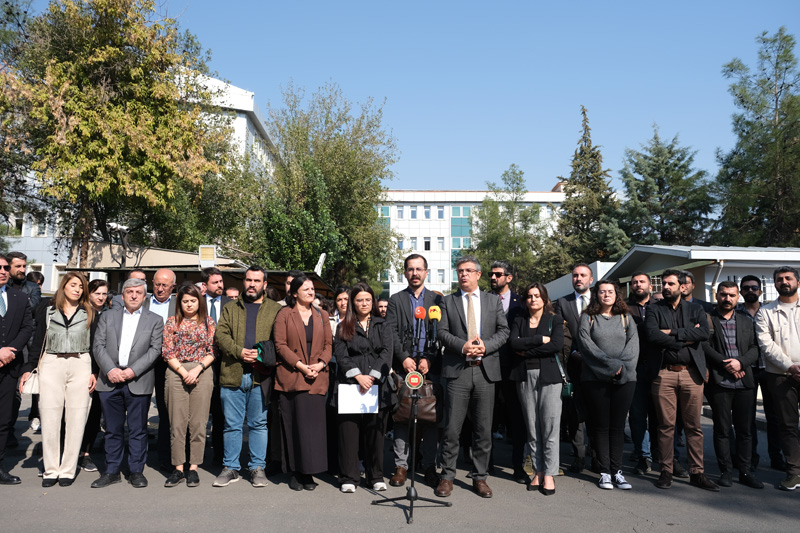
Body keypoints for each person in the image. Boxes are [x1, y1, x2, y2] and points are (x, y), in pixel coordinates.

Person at [435, 255, 509, 499]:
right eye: (459, 271)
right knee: (451, 429)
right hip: (458, 372)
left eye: (468, 270)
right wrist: (463, 346)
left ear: (478, 274)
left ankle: (480, 478)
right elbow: (442, 332)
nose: (463, 274)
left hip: (485, 372)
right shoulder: (448, 301)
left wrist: (485, 346)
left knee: (483, 430)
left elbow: (504, 331)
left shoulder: (492, 300)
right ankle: (447, 477)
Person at [19, 273, 95, 487]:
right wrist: (29, 367)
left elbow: (95, 343)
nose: (78, 289)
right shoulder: (48, 311)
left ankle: (68, 469)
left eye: (81, 286)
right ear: (64, 286)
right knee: (50, 415)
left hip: (81, 362)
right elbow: (37, 341)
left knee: (78, 416)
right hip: (52, 362)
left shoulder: (89, 312)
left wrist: (95, 372)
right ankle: (51, 469)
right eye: (73, 285)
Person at [645, 269, 718, 491]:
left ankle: (697, 473)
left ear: (682, 286)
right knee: (666, 426)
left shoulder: (696, 309)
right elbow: (652, 335)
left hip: (691, 373)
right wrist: (684, 337)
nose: (665, 287)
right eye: (663, 284)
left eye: (670, 284)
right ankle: (666, 471)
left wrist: (671, 333)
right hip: (664, 373)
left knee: (693, 426)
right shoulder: (653, 309)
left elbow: (704, 333)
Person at [90, 277, 164, 489]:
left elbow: (155, 350)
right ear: (122, 296)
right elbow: (98, 346)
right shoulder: (107, 316)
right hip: (109, 380)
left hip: (138, 380)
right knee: (112, 429)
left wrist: (132, 371)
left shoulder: (155, 320)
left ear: (144, 296)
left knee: (138, 429)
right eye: (129, 292)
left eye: (138, 292)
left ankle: (136, 471)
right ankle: (111, 470)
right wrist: (111, 370)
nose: (133, 295)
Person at [213, 265, 281, 488]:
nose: (252, 284)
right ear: (244, 282)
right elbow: (220, 335)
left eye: (257, 281)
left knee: (259, 424)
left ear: (265, 284)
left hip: (261, 377)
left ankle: (256, 467)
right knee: (231, 425)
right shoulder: (231, 308)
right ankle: (230, 467)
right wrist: (239, 351)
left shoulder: (275, 310)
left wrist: (259, 354)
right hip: (233, 373)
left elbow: (279, 340)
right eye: (248, 280)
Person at [385, 254, 443, 488]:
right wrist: (404, 358)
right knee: (402, 417)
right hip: (403, 369)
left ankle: (429, 465)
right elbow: (391, 333)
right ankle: (401, 466)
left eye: (419, 269)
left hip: (430, 369)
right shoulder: (395, 300)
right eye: (411, 269)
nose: (415, 273)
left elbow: (441, 332)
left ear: (426, 272)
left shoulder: (437, 300)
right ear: (405, 273)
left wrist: (428, 359)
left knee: (429, 418)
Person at [274, 274, 333, 491]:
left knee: (313, 429)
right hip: (293, 377)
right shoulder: (284, 315)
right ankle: (296, 472)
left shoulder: (322, 315)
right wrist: (300, 365)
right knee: (294, 427)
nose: (311, 292)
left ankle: (309, 473)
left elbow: (329, 344)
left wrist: (320, 364)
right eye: (306, 288)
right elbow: (280, 345)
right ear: (294, 292)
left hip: (317, 377)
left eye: (312, 288)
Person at [333, 283, 394, 493]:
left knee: (375, 434)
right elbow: (341, 355)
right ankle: (348, 477)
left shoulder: (382, 325)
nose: (364, 303)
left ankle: (375, 476)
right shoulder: (343, 326)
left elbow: (387, 352)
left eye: (368, 299)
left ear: (373, 302)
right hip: (351, 384)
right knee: (348, 433)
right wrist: (358, 376)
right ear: (353, 302)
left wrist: (373, 376)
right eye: (359, 300)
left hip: (377, 385)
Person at [578, 279, 638, 490]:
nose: (606, 295)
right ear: (596, 295)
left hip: (625, 379)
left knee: (618, 426)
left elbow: (633, 346)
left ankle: (617, 471)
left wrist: (621, 367)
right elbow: (586, 346)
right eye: (602, 292)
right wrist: (611, 365)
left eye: (610, 291)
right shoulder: (587, 317)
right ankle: (604, 472)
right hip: (595, 379)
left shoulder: (626, 317)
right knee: (600, 426)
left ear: (617, 294)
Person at [703, 281, 763, 489]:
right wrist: (726, 364)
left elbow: (755, 348)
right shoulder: (708, 319)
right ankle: (725, 471)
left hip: (744, 382)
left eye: (731, 295)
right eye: (723, 294)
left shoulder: (746, 321)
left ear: (738, 297)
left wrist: (741, 362)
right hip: (720, 381)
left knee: (745, 430)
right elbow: (704, 345)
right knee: (722, 429)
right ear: (717, 296)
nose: (727, 299)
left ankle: (745, 471)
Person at [508, 282, 564, 495]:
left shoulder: (554, 319)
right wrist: (539, 340)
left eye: (537, 296)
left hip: (549, 378)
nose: (533, 299)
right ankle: (538, 471)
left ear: (544, 299)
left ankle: (550, 473)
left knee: (549, 426)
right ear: (525, 300)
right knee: (532, 428)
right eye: (530, 296)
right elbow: (513, 344)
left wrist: (528, 350)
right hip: (524, 377)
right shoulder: (519, 320)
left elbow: (556, 345)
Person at [162, 283, 216, 488]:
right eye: (185, 301)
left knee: (198, 423)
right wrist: (184, 372)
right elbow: (167, 352)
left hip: (202, 371)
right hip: (177, 372)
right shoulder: (171, 323)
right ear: (179, 302)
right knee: (177, 423)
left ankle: (193, 467)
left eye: (193, 300)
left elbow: (213, 350)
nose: (189, 305)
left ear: (199, 301)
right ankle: (178, 468)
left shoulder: (208, 322)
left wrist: (197, 369)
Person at [755, 266, 800, 491]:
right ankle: (794, 472)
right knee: (788, 425)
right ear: (774, 284)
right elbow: (766, 344)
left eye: (788, 278)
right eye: (779, 279)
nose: (784, 281)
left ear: (797, 282)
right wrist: (790, 366)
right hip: (781, 376)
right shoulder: (766, 312)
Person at [738, 275, 785, 471]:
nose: (750, 291)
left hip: (770, 369)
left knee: (774, 416)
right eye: (746, 288)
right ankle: (751, 458)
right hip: (747, 370)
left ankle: (777, 457)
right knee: (747, 418)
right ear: (741, 291)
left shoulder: (769, 312)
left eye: (754, 288)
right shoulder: (736, 313)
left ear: (760, 291)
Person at [553, 263, 593, 473]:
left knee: (596, 412)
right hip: (573, 363)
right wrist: (574, 353)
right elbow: (562, 332)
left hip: (597, 365)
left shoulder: (600, 299)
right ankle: (579, 456)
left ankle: (597, 455)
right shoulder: (563, 303)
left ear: (591, 280)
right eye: (575, 275)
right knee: (575, 412)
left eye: (583, 275)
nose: (578, 279)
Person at [490, 260, 526, 483]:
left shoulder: (520, 302)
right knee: (487, 419)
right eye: (491, 274)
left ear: (509, 278)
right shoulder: (483, 300)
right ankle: (486, 463)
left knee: (516, 419)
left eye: (498, 274)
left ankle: (518, 466)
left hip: (513, 368)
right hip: (489, 367)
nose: (493, 278)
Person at [0, 255, 34, 485]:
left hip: (9, 369)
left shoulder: (20, 298)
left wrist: (11, 351)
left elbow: (27, 327)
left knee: (3, 421)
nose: (3, 271)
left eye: (4, 268)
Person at [144, 268, 177, 472]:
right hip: (143, 362)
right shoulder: (143, 302)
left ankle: (166, 457)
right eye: (157, 284)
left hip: (170, 364)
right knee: (139, 409)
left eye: (165, 285)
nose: (160, 288)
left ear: (173, 287)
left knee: (167, 411)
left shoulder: (180, 304)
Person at [626, 272, 658, 475]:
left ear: (650, 286)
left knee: (660, 415)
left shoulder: (659, 308)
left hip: (658, 367)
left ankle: (663, 455)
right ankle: (643, 456)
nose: (638, 285)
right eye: (634, 282)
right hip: (635, 368)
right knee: (637, 415)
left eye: (641, 282)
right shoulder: (625, 310)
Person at [79, 279, 110, 473]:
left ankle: (86, 453)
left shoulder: (108, 315)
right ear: (89, 294)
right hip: (82, 369)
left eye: (104, 294)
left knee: (94, 414)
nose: (100, 297)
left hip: (101, 372)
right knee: (76, 414)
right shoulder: (82, 315)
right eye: (97, 293)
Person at [201, 266, 229, 466]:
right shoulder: (195, 303)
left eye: (221, 281)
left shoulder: (231, 304)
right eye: (215, 282)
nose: (220, 285)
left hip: (224, 365)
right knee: (198, 412)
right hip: (199, 364)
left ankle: (219, 455)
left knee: (220, 414)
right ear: (205, 285)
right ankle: (194, 454)